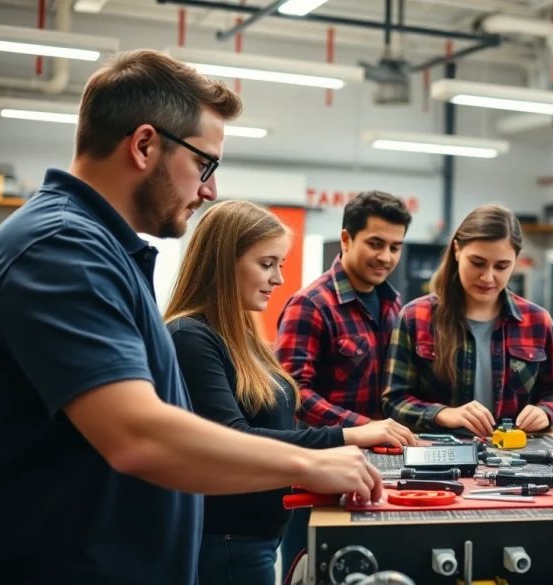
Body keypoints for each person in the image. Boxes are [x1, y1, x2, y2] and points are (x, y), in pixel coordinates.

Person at [0, 50, 381, 585]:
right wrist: (310, 461)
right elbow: (138, 435)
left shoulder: (102, 251)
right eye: (205, 165)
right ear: (144, 145)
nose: (210, 190)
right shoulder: (62, 249)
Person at [163, 201, 416, 585]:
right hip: (229, 537)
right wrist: (347, 435)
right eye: (267, 264)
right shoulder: (190, 337)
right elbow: (233, 438)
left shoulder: (242, 336)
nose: (279, 278)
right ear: (223, 263)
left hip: (258, 533)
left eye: (279, 264)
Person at [275, 190, 414, 579]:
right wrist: (363, 427)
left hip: (378, 469)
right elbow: (293, 393)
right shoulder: (310, 305)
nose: (386, 256)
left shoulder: (392, 304)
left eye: (395, 247)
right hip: (318, 471)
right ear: (346, 239)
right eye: (375, 243)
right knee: (310, 573)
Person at [382, 204, 553, 435]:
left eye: (501, 266)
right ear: (457, 250)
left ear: (515, 261)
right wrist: (444, 414)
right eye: (477, 263)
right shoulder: (415, 317)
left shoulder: (537, 321)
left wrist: (545, 411)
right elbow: (394, 400)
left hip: (517, 451)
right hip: (441, 451)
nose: (488, 277)